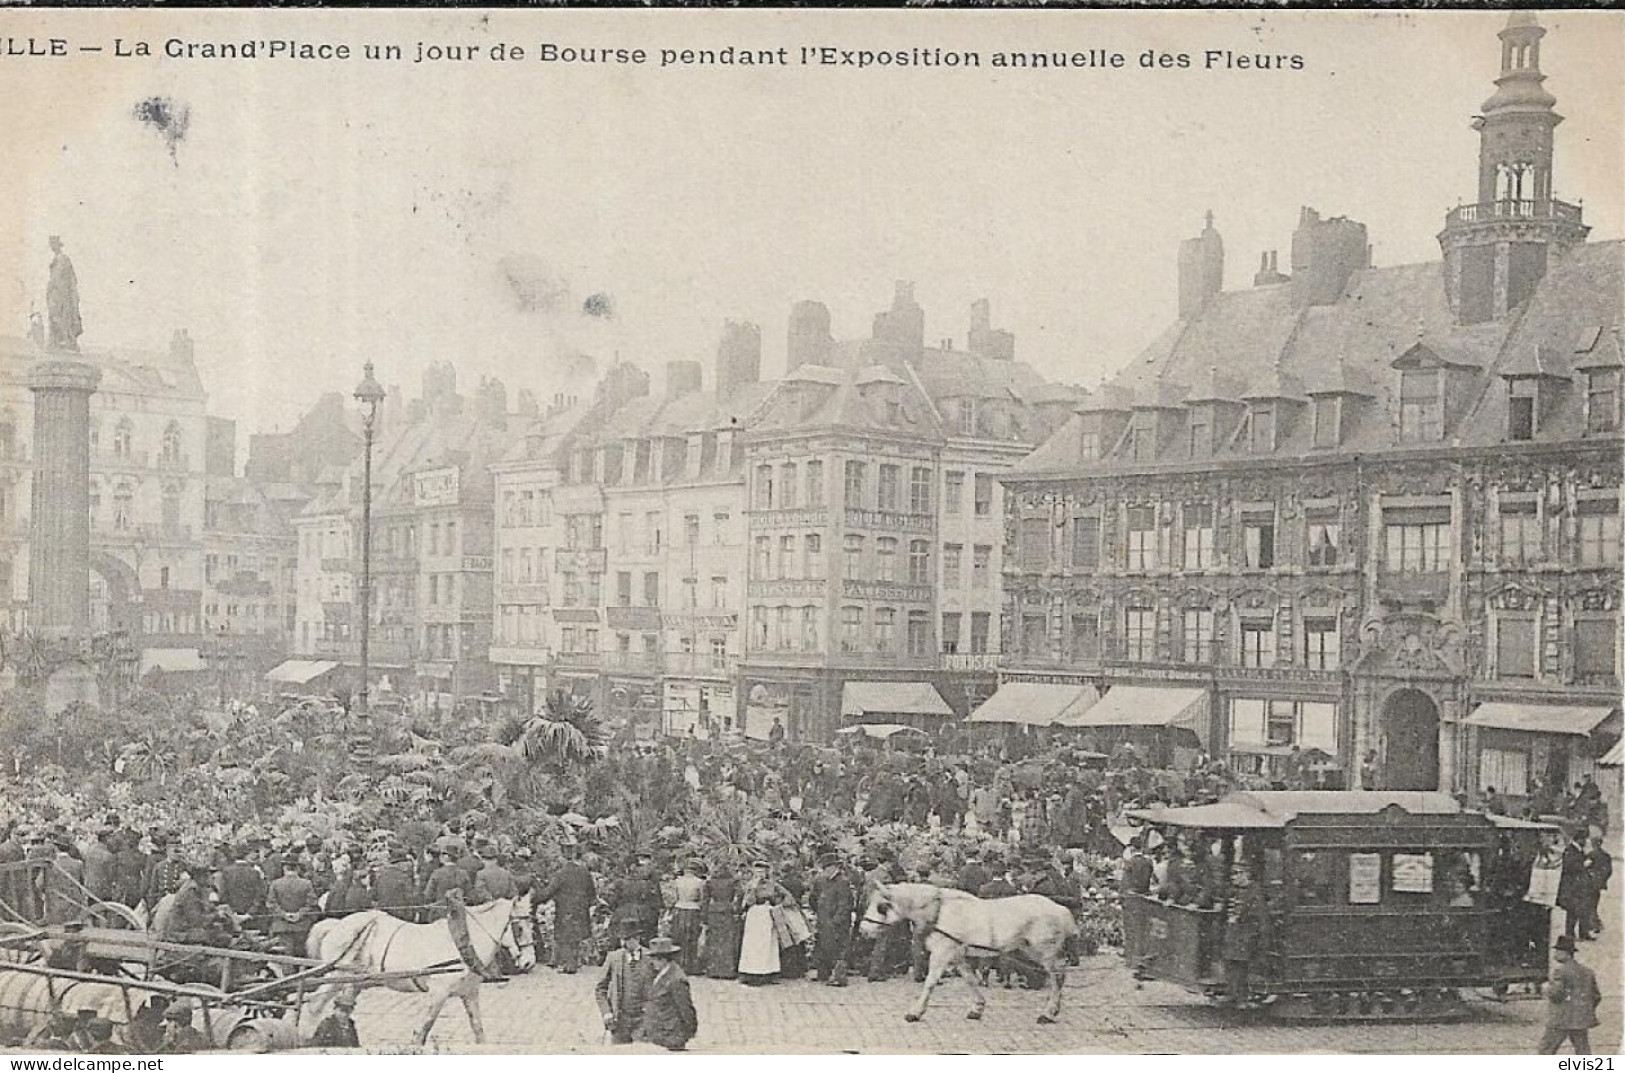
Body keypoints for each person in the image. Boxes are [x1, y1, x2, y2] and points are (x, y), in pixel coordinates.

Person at [536, 842, 596, 973]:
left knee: (566, 937)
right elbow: (592, 893)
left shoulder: (561, 873)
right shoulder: (584, 872)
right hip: (581, 909)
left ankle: (570, 965)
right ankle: (572, 962)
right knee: (575, 938)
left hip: (565, 910)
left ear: (563, 857)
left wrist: (535, 898)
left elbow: (548, 892)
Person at [1537, 935, 1600, 1054]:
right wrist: (1583, 1009)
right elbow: (1596, 996)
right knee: (1583, 1051)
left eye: (1558, 951)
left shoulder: (1560, 971)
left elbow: (1556, 994)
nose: (1555, 954)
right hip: (1580, 1020)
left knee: (1546, 1050)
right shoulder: (1587, 971)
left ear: (1566, 954)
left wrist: (1545, 988)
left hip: (1561, 1019)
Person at [637, 937, 698, 1051]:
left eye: (654, 958)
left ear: (663, 959)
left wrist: (687, 1033)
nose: (652, 962)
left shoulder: (676, 979)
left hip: (671, 1037)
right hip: (659, 1034)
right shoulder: (661, 973)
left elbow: (685, 1009)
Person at [595, 925, 653, 1045]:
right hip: (619, 1020)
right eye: (622, 939)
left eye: (628, 939)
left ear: (638, 938)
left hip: (644, 1019)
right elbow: (600, 988)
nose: (623, 944)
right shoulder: (613, 957)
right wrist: (606, 1012)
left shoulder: (651, 958)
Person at [737, 860, 788, 985]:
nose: (760, 874)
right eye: (758, 871)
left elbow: (785, 895)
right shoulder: (750, 885)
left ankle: (768, 972)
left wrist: (778, 904)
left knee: (767, 942)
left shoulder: (772, 885)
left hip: (767, 913)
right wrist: (752, 890)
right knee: (752, 943)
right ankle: (749, 972)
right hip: (754, 914)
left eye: (763, 872)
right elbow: (746, 902)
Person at [810, 852, 854, 986]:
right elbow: (813, 898)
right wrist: (819, 913)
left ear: (836, 867)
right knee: (822, 947)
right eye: (824, 868)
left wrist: (836, 920)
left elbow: (845, 904)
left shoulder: (843, 882)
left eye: (828, 867)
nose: (826, 870)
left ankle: (838, 977)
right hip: (823, 920)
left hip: (837, 923)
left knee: (838, 949)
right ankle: (823, 974)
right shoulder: (820, 880)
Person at [698, 859, 741, 979]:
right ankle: (728, 970)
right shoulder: (733, 881)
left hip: (714, 911)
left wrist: (704, 916)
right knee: (727, 940)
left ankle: (713, 970)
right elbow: (740, 894)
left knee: (714, 940)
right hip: (727, 910)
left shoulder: (710, 882)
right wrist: (736, 909)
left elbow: (705, 901)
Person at [266, 859, 317, 955]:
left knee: (285, 956)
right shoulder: (306, 884)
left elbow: (271, 904)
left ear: (284, 868)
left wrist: (284, 914)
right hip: (302, 926)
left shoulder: (275, 884)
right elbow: (312, 903)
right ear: (297, 869)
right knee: (301, 956)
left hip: (281, 926)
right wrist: (300, 914)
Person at [668, 860, 705, 973]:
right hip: (693, 910)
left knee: (679, 936)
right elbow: (702, 899)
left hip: (680, 909)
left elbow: (674, 898)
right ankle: (691, 966)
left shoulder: (677, 882)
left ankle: (679, 964)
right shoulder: (699, 882)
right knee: (692, 938)